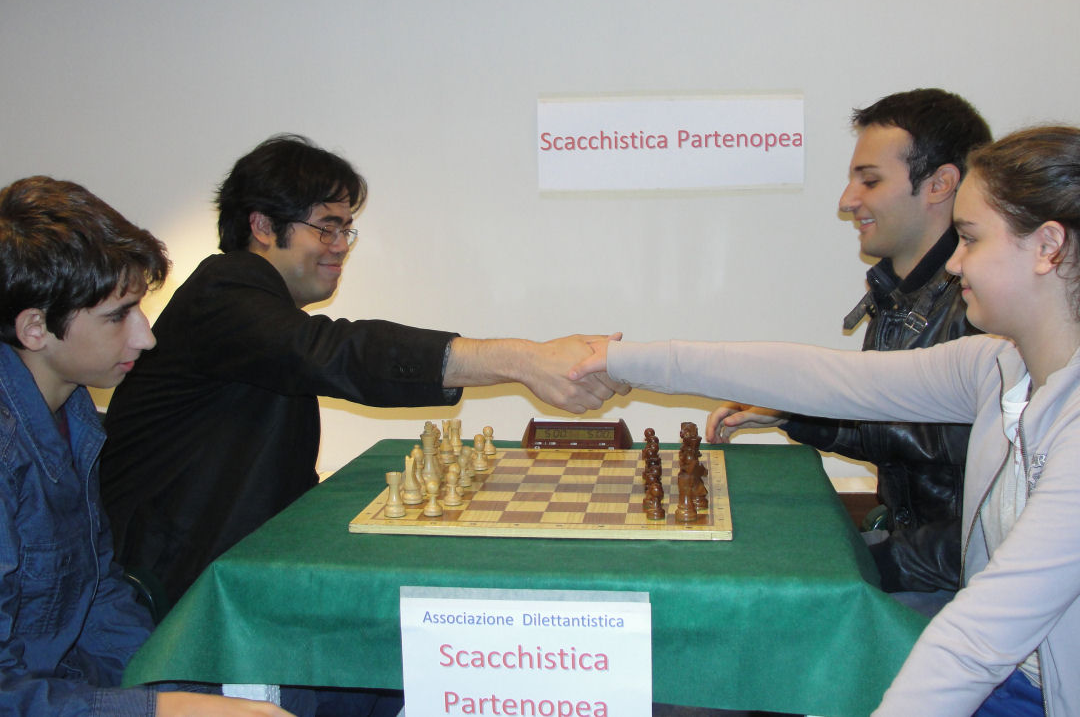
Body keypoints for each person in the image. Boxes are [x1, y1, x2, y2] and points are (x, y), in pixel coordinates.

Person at [572, 126, 1080, 715]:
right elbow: (817, 376)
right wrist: (619, 358)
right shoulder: (996, 366)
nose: (954, 261)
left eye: (969, 238)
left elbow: (978, 640)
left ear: (1047, 246)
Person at [101, 133, 626, 606]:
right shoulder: (223, 290)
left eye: (346, 230)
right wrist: (523, 359)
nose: (340, 247)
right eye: (326, 227)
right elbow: (338, 351)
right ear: (261, 226)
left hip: (223, 568)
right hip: (167, 593)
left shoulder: (257, 310)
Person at [0, 176, 294, 716]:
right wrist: (162, 709)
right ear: (35, 328)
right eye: (118, 316)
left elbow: (97, 595)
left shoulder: (74, 412)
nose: (146, 336)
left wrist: (176, 684)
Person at [706, 88, 991, 607]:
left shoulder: (985, 310)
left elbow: (989, 515)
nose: (846, 200)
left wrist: (870, 565)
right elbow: (902, 430)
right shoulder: (898, 293)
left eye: (870, 180)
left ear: (940, 184)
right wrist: (790, 410)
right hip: (917, 559)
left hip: (953, 585)